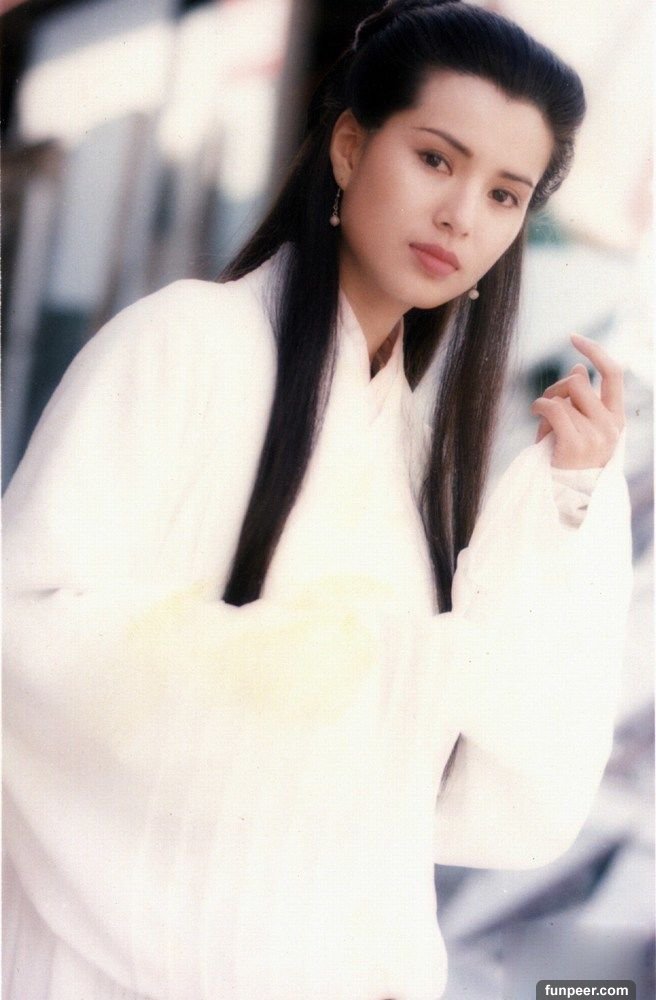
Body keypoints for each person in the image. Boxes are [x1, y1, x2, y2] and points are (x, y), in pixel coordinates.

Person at [2, 1, 632, 998]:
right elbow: (26, 636)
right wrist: (338, 662)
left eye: (504, 193)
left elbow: (496, 773)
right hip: (126, 963)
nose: (461, 215)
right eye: (435, 158)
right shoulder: (179, 345)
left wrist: (566, 502)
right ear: (348, 146)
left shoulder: (421, 447)